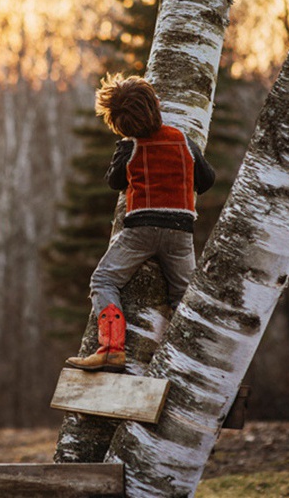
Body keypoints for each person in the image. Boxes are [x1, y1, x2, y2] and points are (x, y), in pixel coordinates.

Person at [65, 73, 215, 373]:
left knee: (104, 280)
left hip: (141, 230)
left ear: (117, 123)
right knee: (183, 296)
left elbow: (115, 181)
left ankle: (110, 349)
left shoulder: (128, 147)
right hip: (180, 231)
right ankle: (194, 362)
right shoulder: (183, 141)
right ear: (155, 105)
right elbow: (207, 181)